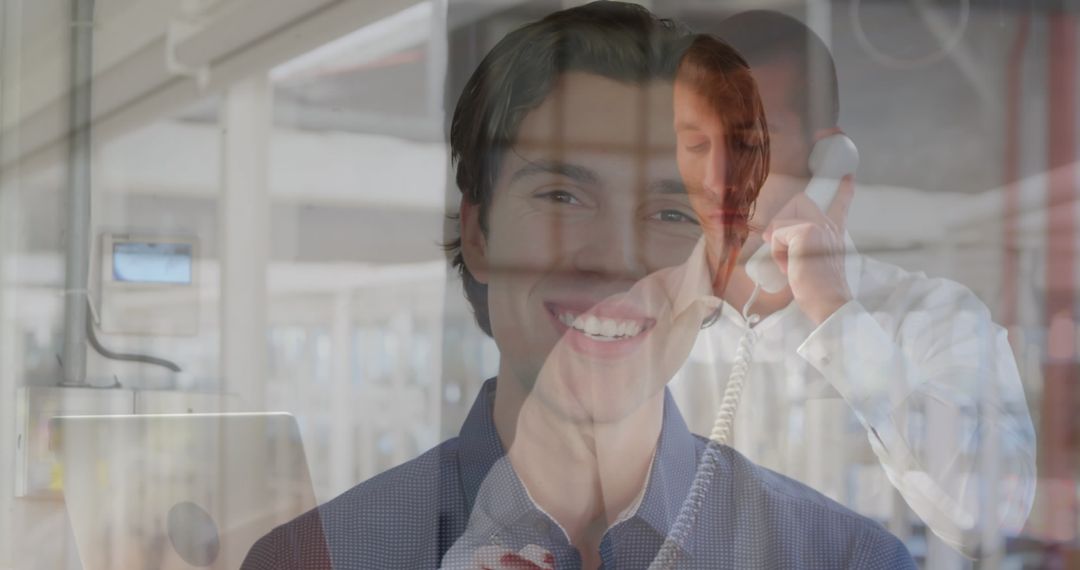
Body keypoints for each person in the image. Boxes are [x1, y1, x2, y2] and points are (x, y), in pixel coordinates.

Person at [242, 3, 915, 568]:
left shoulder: (844, 557)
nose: (616, 263)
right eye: (563, 196)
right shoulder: (317, 558)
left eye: (674, 212)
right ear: (478, 234)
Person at [668, 9, 1037, 557]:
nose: (718, 180)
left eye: (749, 143)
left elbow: (994, 515)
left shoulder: (937, 317)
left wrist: (838, 316)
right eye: (696, 146)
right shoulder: (647, 326)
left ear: (827, 158)